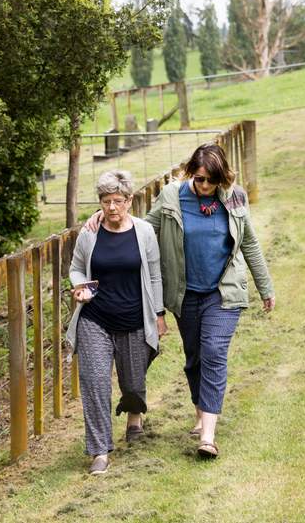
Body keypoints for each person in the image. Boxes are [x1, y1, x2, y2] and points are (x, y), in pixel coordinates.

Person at [146, 143, 274, 459]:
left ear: (221, 177)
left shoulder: (235, 197)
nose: (204, 186)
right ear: (191, 172)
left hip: (222, 292)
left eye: (210, 180)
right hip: (185, 293)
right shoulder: (172, 196)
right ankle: (200, 409)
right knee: (195, 357)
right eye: (200, 179)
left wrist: (265, 288)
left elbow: (250, 244)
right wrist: (106, 222)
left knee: (214, 351)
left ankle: (208, 435)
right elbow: (144, 232)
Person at [67, 170, 166, 475]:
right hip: (95, 319)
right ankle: (99, 450)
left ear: (129, 201)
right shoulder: (89, 233)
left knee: (133, 382)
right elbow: (76, 269)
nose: (111, 208)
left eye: (118, 201)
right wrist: (80, 286)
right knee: (95, 382)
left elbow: (153, 274)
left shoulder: (144, 232)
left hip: (135, 319)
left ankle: (134, 412)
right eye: (105, 201)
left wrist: (159, 314)